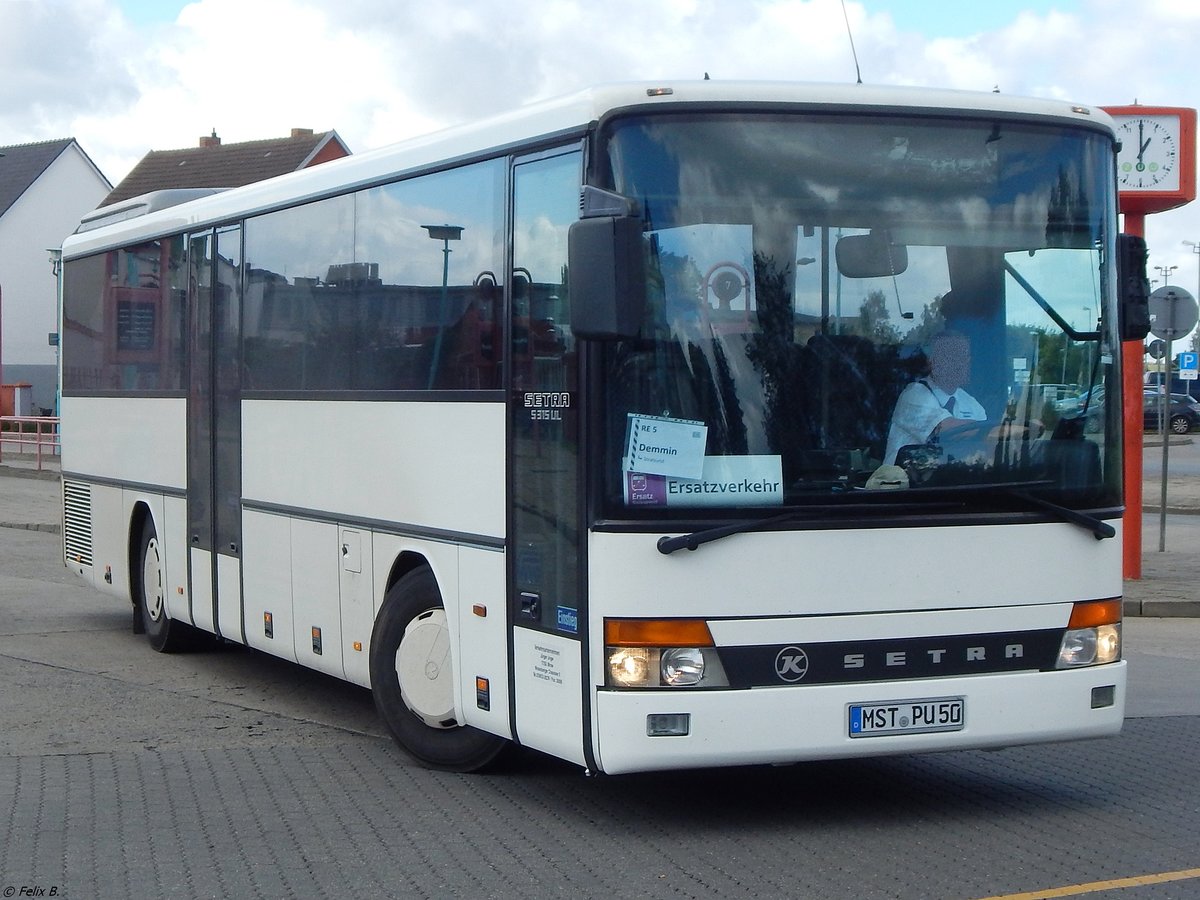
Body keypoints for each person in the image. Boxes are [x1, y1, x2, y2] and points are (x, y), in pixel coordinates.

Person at [884, 330, 987, 465]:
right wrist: (997, 430)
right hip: (901, 484)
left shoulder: (972, 404)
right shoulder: (913, 395)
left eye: (965, 357)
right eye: (952, 357)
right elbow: (946, 431)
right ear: (932, 362)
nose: (961, 364)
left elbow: (985, 445)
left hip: (955, 482)